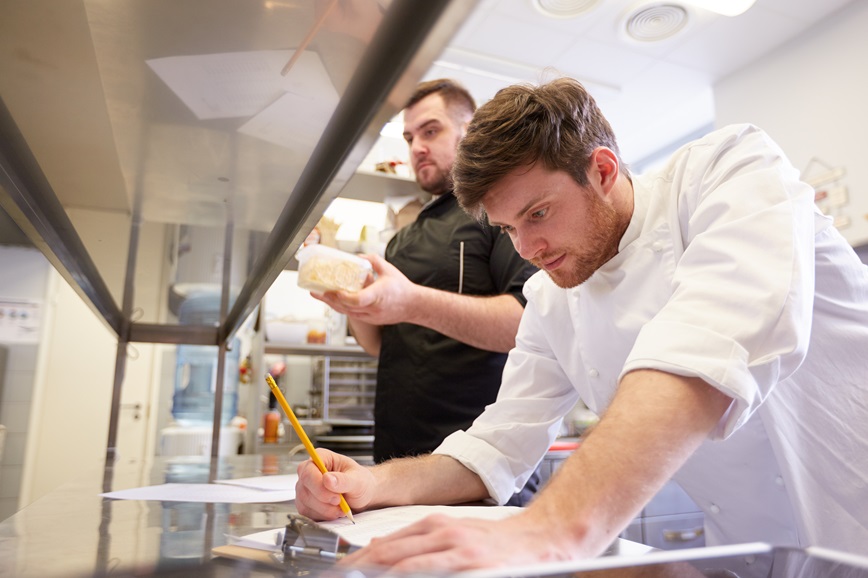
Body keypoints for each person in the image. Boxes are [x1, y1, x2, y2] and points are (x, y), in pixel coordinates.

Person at [296, 76, 868, 571]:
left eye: (537, 214)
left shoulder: (729, 171)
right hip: (753, 556)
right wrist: (373, 486)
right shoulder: (551, 297)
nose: (529, 248)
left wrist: (554, 528)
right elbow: (497, 444)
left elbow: (707, 347)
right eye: (509, 230)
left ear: (601, 168)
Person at [312, 79, 540, 504]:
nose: (416, 146)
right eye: (409, 136)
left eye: (430, 131)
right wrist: (348, 294)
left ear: (468, 131)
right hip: (396, 470)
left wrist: (411, 301)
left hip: (478, 474)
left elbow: (526, 323)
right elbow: (382, 346)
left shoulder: (498, 212)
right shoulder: (402, 240)